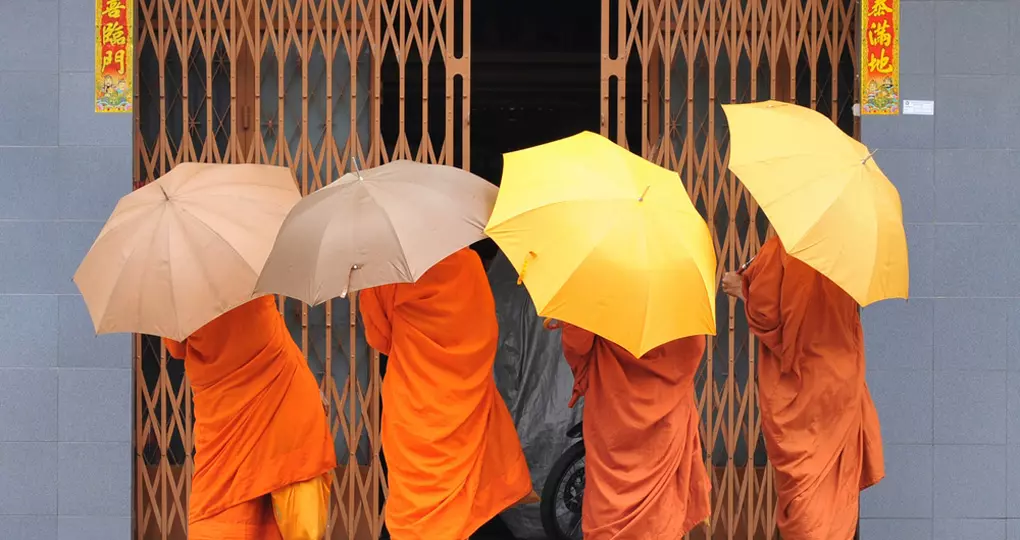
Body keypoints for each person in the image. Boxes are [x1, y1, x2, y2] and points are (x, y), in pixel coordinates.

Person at [359, 248, 534, 540]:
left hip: (411, 404)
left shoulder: (387, 267)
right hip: (465, 400)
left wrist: (414, 347)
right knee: (468, 502)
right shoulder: (468, 263)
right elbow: (487, 331)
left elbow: (379, 338)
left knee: (415, 506)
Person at [721, 237, 884, 540]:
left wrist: (742, 289)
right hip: (840, 382)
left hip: (802, 384)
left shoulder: (783, 247)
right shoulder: (849, 253)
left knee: (805, 496)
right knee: (835, 484)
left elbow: (767, 315)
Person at [163, 295, 336, 540]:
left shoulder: (181, 292)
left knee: (223, 516)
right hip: (286, 405)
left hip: (226, 424)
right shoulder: (253, 284)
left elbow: (176, 347)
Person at [552, 320, 711, 539]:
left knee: (607, 504)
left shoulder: (599, 297)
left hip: (611, 407)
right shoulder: (680, 304)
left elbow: (576, 343)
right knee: (658, 516)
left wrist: (586, 369)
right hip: (665, 417)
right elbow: (694, 348)